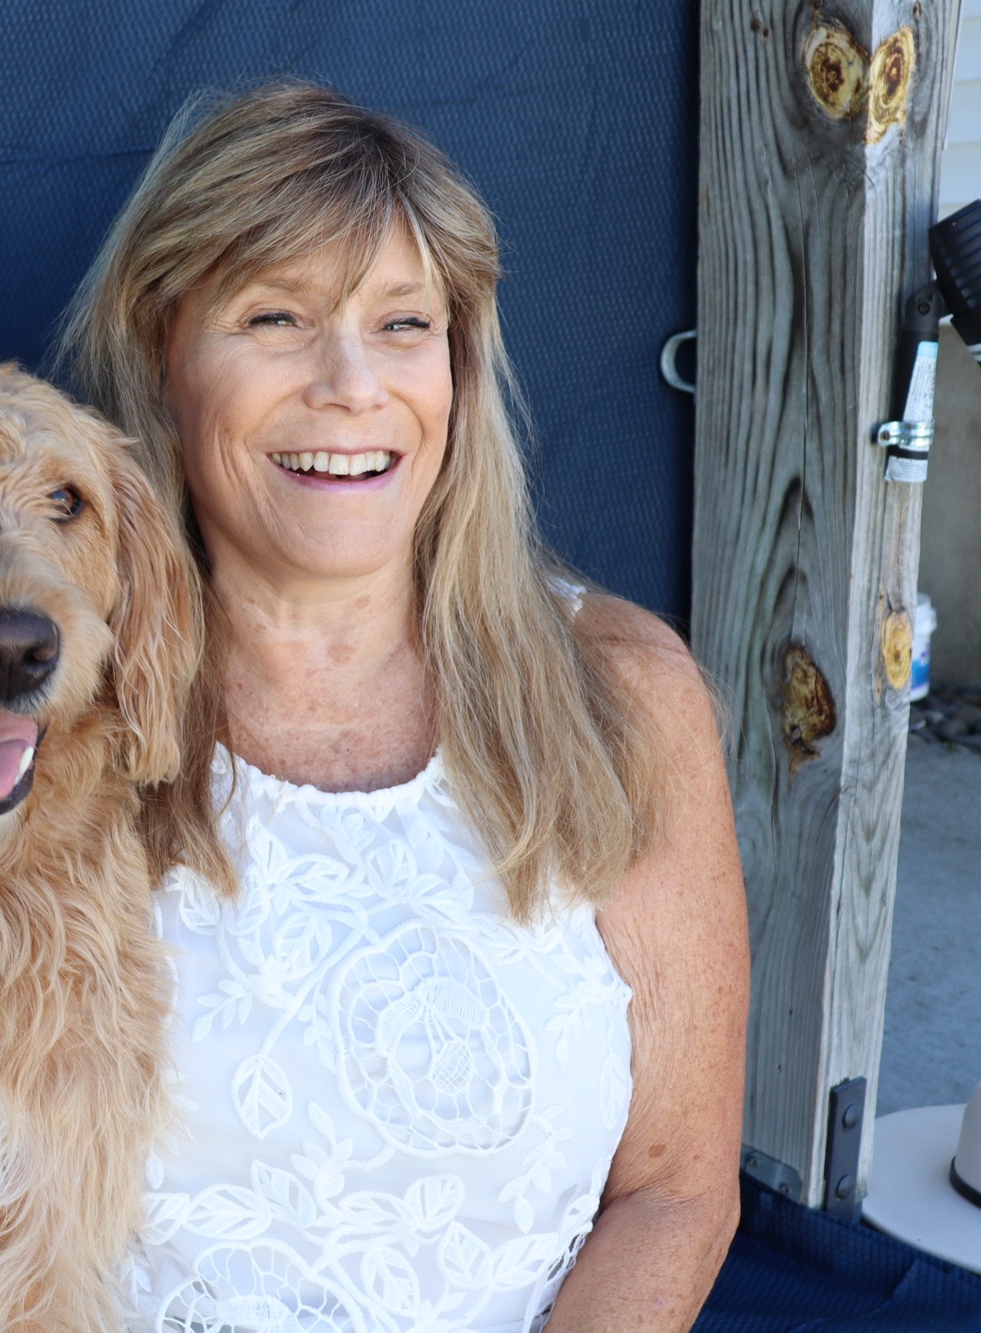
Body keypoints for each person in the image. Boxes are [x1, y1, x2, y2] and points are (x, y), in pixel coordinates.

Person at [56, 82, 748, 1332]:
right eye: (273, 317)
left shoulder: (623, 701)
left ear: (459, 366)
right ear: (160, 357)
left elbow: (673, 1192)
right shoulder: (41, 711)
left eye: (401, 323)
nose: (348, 384)